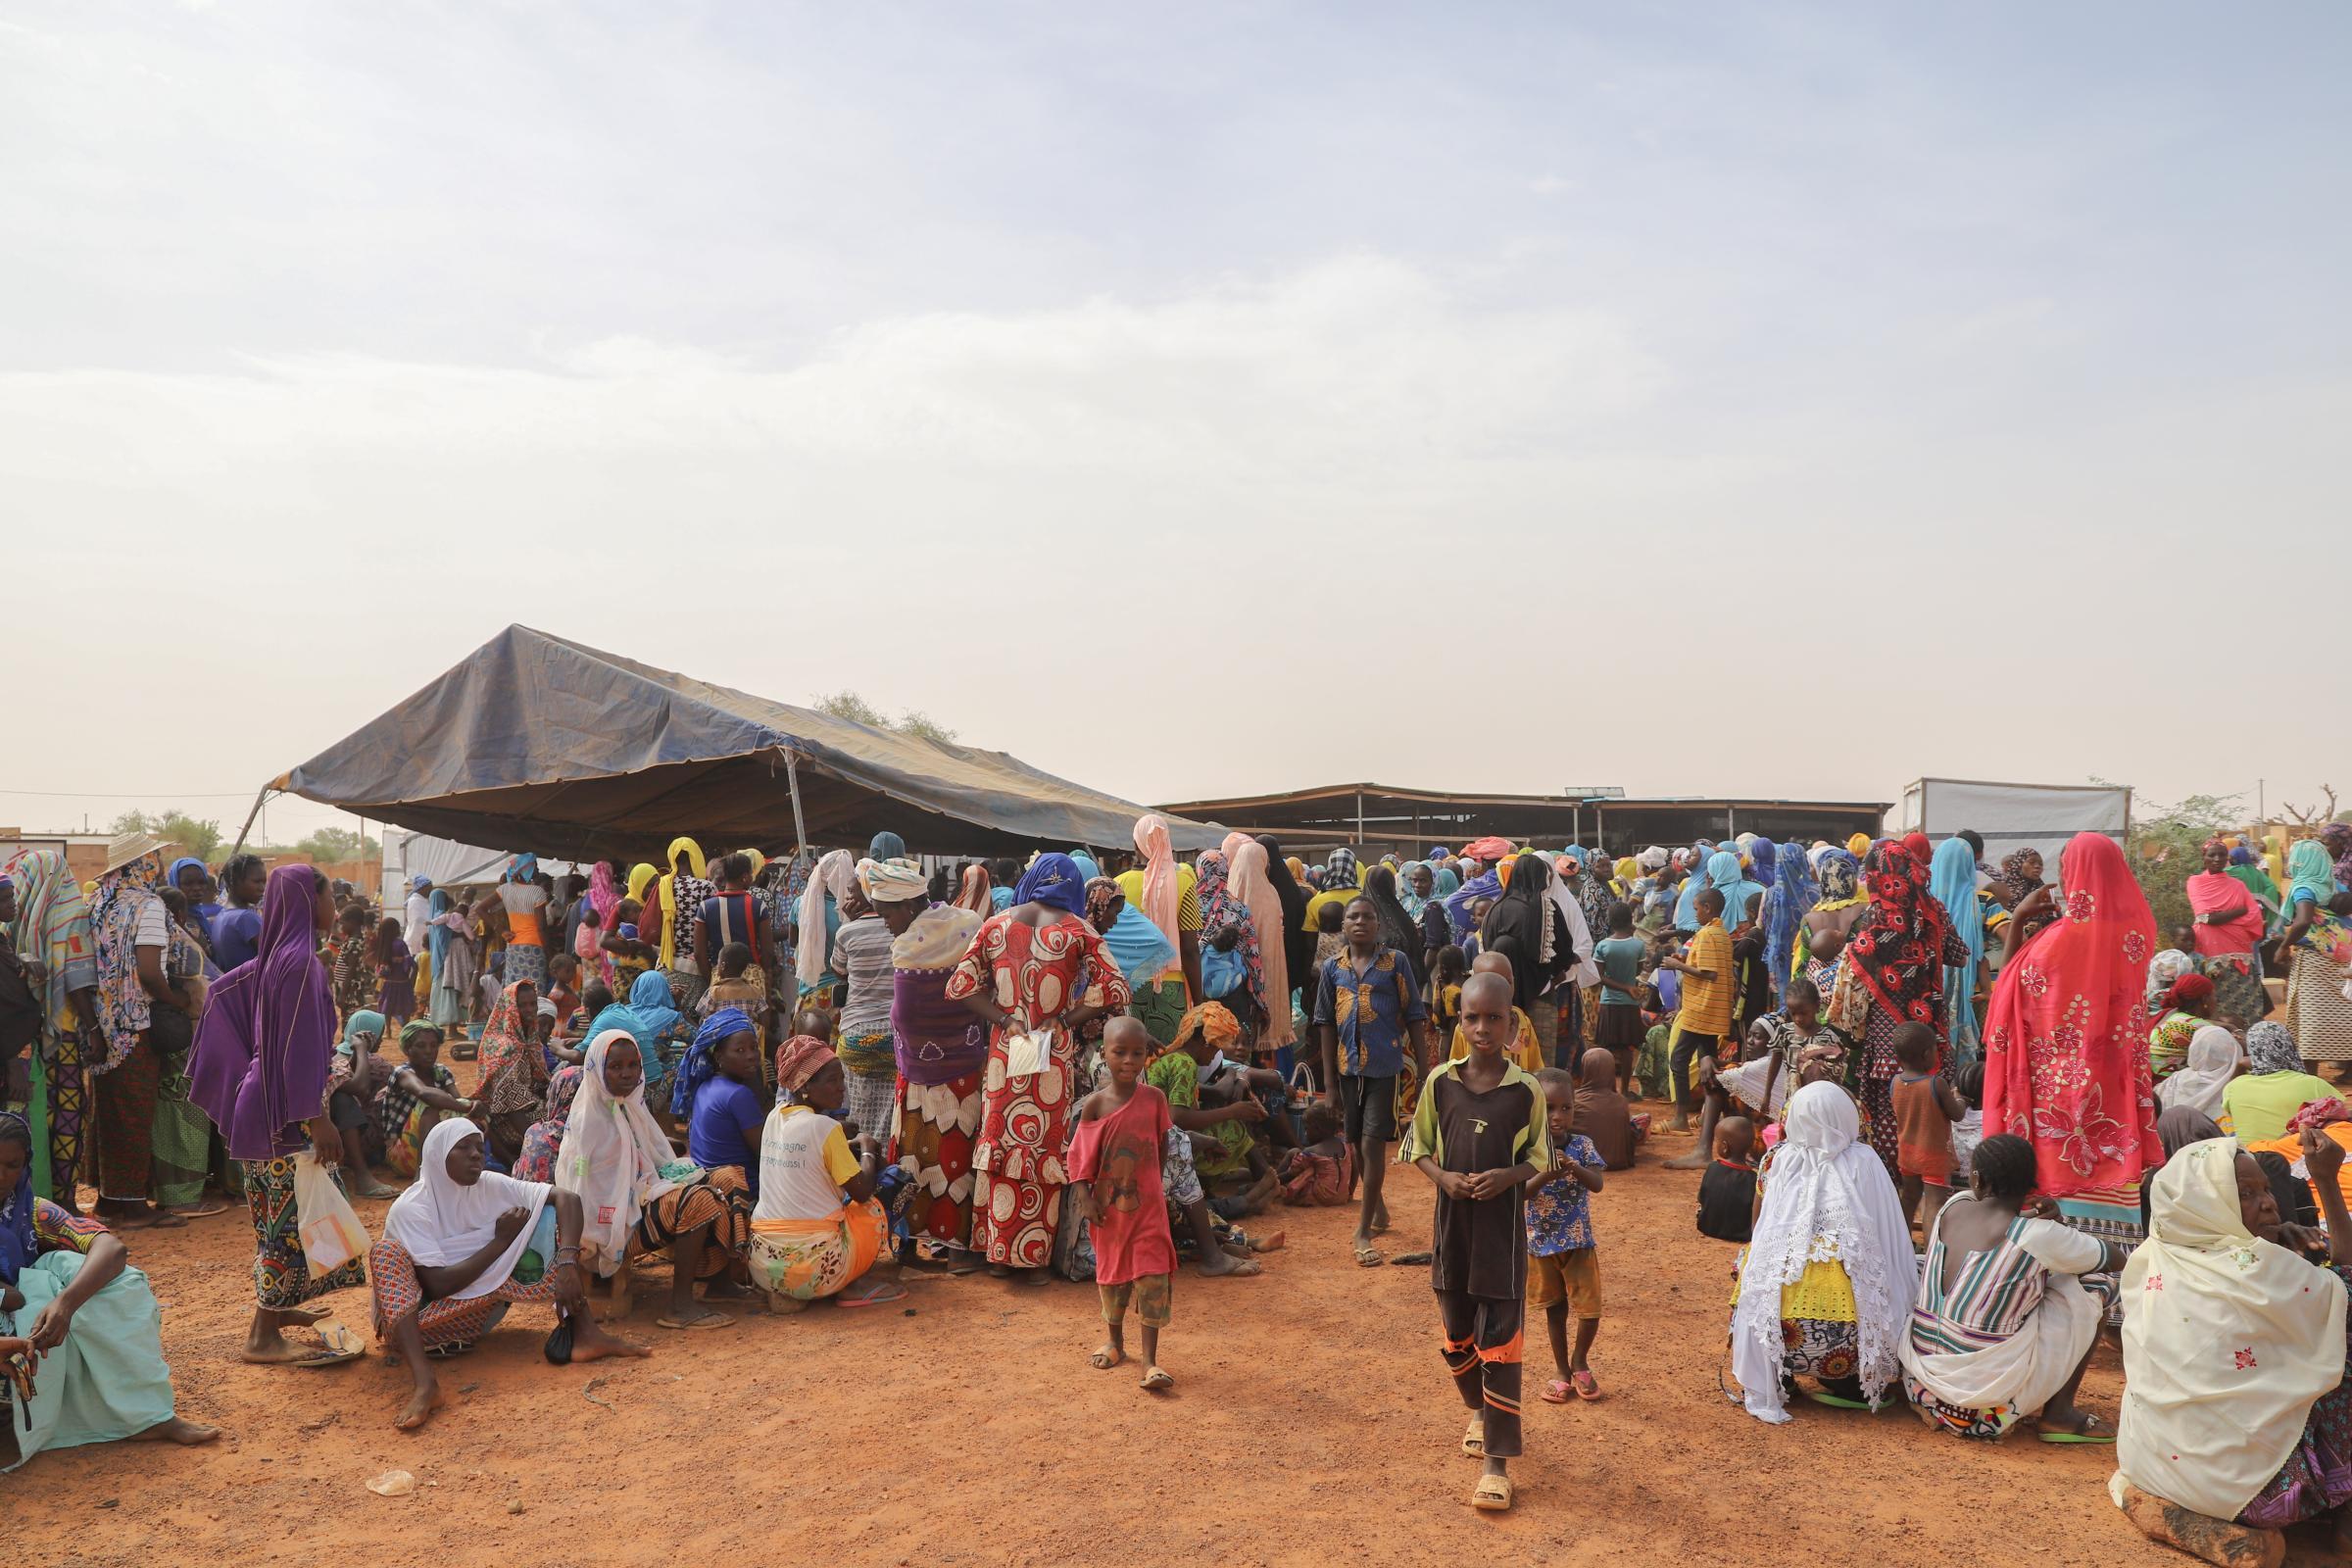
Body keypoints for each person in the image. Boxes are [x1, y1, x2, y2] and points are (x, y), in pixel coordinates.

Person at [2113, 1135, 2352, 1563]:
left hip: (2159, 1470)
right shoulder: (2260, 1271)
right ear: (2207, 1202)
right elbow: (2347, 1284)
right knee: (2340, 1347)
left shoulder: (2151, 1259)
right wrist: (2326, 1182)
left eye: (2266, 1190)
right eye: (2244, 1194)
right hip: (2257, 1496)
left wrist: (2273, 1247)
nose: (2269, 1204)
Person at [186, 863, 369, 1365]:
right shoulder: (301, 964)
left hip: (262, 1107)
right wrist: (316, 1117)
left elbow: (219, 994)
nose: (334, 908)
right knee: (285, 1228)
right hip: (283, 1117)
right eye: (329, 898)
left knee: (279, 1218)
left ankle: (280, 1309)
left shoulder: (274, 959)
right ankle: (262, 1338)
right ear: (311, 902)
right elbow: (297, 1052)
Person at [371, 1118, 643, 1430]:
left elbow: (568, 1199)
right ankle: (426, 1384)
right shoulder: (411, 1208)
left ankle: (585, 1334)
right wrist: (501, 1242)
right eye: (463, 1147)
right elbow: (437, 1285)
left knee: (548, 1215)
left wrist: (568, 1264)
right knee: (385, 1253)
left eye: (479, 1146)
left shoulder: (490, 1185)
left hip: (473, 1319)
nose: (476, 1154)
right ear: (437, 1155)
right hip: (418, 1327)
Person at [947, 854, 1129, 1281]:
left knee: (1000, 1141)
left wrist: (1003, 1019)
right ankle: (1032, 1261)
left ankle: (998, 1254)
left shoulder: (996, 925)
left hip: (1007, 1049)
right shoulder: (1078, 930)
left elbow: (960, 986)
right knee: (1042, 1146)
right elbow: (1115, 988)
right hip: (1051, 1051)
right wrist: (1064, 1019)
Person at [1404, 971, 1548, 1512]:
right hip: (1453, 1234)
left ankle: (1496, 1464)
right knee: (1457, 1336)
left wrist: (1507, 1177)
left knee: (1502, 1344)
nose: (1483, 1027)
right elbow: (1418, 1146)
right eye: (1472, 1018)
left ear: (1513, 1024)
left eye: (1494, 1018)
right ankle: (1480, 1409)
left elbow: (1539, 1157)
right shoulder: (1440, 1083)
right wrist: (1443, 1178)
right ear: (1459, 1022)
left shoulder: (1525, 1090)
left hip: (1501, 1239)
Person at [0, 1112, 218, 1468]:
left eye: (12, 1165)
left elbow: (110, 1248)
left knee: (109, 1282)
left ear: (25, 1165)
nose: (1, 1176)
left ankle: (145, 1416)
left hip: (29, 1317)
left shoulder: (33, 1211)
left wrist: (65, 1305)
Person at [1983, 832, 2163, 1256]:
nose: (2063, 878)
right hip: (2114, 1089)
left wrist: (2018, 921)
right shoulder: (2137, 933)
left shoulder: (2056, 943)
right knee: (2115, 1212)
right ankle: (2115, 1268)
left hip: (2058, 1096)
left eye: (2066, 869)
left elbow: (2005, 995)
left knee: (2053, 1242)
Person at [1899, 1131, 2130, 1444]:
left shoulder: (1953, 1206)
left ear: (1977, 1179)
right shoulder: (2038, 1235)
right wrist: (2058, 1225)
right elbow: (2115, 1260)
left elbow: (1996, 1219)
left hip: (1921, 1385)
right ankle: (2059, 1414)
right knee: (2097, 1284)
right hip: (1984, 1405)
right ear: (2032, 1183)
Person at [1729, 1080, 1915, 1424]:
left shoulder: (1777, 1158)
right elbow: (1889, 1236)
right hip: (1840, 1346)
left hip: (1783, 1338)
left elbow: (1760, 1229)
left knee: (1753, 1269)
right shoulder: (1865, 1160)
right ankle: (1848, 1382)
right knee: (1880, 1276)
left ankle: (1780, 1375)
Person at [553, 1029, 752, 1329]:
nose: (627, 1073)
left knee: (728, 1178)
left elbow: (652, 1157)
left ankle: (719, 1282)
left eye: (633, 1065)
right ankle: (680, 1305)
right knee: (697, 1200)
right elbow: (592, 1192)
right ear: (597, 1069)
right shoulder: (590, 1121)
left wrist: (672, 1178)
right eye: (615, 1067)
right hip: (613, 1225)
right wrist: (657, 1190)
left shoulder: (629, 1106)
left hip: (640, 1200)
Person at [1833, 843, 1970, 1181]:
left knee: (1889, 1103)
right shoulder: (1933, 909)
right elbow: (1959, 956)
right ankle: (1929, 1170)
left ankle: (1892, 1176)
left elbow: (1859, 962)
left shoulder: (1876, 917)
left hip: (1887, 1027)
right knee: (1930, 1096)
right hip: (1929, 1020)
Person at [1313, 896, 1433, 1268]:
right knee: (1355, 1141)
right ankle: (1378, 1209)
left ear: (1378, 925)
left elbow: (1414, 1014)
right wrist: (1329, 1084)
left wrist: (1425, 1069)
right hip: (1347, 1069)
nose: (1360, 922)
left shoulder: (1395, 963)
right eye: (1353, 916)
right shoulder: (1333, 968)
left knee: (1372, 1143)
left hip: (1384, 1067)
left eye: (1367, 916)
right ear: (1343, 925)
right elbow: (1325, 1023)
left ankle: (1363, 1229)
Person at [747, 1035, 900, 1308]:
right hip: (816, 1267)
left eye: (842, 1079)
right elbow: (862, 1191)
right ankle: (850, 1285)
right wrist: (866, 1148)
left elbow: (805, 1147)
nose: (842, 1088)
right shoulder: (824, 1128)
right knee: (871, 1205)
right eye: (832, 1080)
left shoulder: (774, 1116)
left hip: (763, 1263)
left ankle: (786, 1290)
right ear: (805, 1085)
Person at [1068, 1017, 1178, 1392]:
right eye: (1120, 1052)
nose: (1129, 1060)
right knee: (1113, 1280)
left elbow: (1162, 1143)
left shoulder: (1155, 1099)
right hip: (1110, 1213)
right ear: (1104, 1054)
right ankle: (1115, 1341)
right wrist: (1085, 1199)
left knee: (1153, 1279)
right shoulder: (1095, 1106)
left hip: (1149, 1211)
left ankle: (1150, 1362)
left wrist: (1155, 1185)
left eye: (1137, 1053)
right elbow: (1079, 1159)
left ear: (1146, 1055)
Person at [86, 835, 189, 1229]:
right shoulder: (148, 905)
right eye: (153, 858)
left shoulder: (99, 903)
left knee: (109, 1112)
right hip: (134, 1024)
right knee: (134, 1111)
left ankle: (109, 1199)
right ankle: (131, 1206)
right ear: (141, 865)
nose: (158, 865)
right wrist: (177, 999)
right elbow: (149, 971)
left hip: (101, 1023)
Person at [881, 890, 987, 1254]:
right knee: (956, 1159)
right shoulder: (968, 925)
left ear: (908, 905)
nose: (886, 924)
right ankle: (956, 1247)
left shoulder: (909, 947)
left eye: (887, 915)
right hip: (964, 1070)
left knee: (916, 1158)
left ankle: (911, 1246)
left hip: (920, 1074)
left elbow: (906, 1014)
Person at [3, 850, 104, 1208]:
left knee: (35, 1117)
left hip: (27, 1040)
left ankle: (34, 1198)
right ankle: (64, 1201)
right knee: (69, 1114)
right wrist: (93, 1027)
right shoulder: (68, 912)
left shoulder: (15, 919)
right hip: (63, 1031)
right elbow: (75, 978)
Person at [1526, 1066, 1605, 1405]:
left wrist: (1573, 1166)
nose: (1558, 1116)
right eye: (1548, 1108)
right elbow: (1522, 1192)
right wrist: (1547, 1174)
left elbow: (1597, 1183)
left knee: (1590, 1308)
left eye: (1566, 1108)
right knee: (1554, 1310)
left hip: (1579, 1243)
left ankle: (1580, 1361)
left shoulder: (1582, 1146)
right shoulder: (1529, 1149)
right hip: (1542, 1245)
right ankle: (1561, 1369)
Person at [833, 858, 913, 1141]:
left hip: (856, 1033)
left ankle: (860, 1152)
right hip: (895, 1033)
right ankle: (884, 1156)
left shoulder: (846, 932)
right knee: (891, 1107)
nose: (847, 897)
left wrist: (850, 923)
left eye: (851, 892)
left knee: (858, 1107)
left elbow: (839, 970)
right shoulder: (902, 928)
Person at [1656, 887, 1733, 1167]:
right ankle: (1707, 1115)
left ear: (1708, 908)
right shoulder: (1720, 933)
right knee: (1707, 1062)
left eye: (1697, 908)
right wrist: (1685, 962)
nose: (1695, 912)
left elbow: (1709, 973)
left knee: (1678, 1058)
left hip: (1701, 1009)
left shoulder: (1709, 934)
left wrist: (1678, 966)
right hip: (1712, 1009)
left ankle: (1680, 1117)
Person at [2279, 840, 2352, 1064]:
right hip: (2341, 960)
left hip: (2313, 962)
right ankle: (2348, 1068)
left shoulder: (2304, 888)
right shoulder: (2335, 886)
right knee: (2344, 1012)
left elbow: (2303, 921)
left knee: (2310, 1017)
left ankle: (2310, 1072)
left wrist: (2283, 946)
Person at [2186, 836, 2271, 1021]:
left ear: (2228, 858)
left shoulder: (2237, 885)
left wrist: (2222, 917)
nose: (2217, 859)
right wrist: (2239, 911)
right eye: (2212, 855)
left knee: (2246, 1005)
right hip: (2209, 951)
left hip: (2240, 953)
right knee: (2213, 1005)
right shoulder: (2195, 882)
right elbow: (2207, 918)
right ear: (2204, 858)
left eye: (2222, 855)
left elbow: (2255, 917)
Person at [1890, 1023, 1964, 1232]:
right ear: (1926, 1054)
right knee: (1934, 1203)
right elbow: (1957, 1115)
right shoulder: (1936, 1084)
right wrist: (1960, 1099)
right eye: (1934, 1050)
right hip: (1934, 1157)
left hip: (1907, 1154)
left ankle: (1902, 1244)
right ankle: (1931, 1249)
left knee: (1909, 1198)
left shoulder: (1895, 1082)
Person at [2223, 1020, 2337, 1143]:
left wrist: (2240, 1066)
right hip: (2297, 1152)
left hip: (2250, 1153)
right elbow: (2342, 1118)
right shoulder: (2315, 1084)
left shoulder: (2233, 1087)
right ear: (2289, 1046)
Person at [472, 978, 545, 1163]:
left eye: (533, 1004)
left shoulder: (529, 1039)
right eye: (522, 1005)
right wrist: (537, 1143)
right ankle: (533, 1152)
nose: (529, 1010)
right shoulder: (506, 1046)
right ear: (510, 1008)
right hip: (502, 1121)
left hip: (528, 1105)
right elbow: (510, 1103)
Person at [1591, 904, 1646, 1093]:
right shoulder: (1638, 945)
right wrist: (1628, 987)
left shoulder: (1603, 946)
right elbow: (1637, 971)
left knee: (1606, 1047)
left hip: (1608, 1002)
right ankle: (1624, 1091)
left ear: (1609, 921)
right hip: (1630, 1004)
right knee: (1628, 1048)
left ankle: (1609, 1090)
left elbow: (1599, 977)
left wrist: (1621, 986)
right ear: (1630, 920)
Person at [1574, 1046, 1642, 1170]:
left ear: (1585, 1069)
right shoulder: (1621, 1101)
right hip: (1616, 1162)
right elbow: (1628, 1136)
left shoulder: (1573, 1100)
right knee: (1641, 1122)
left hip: (1583, 1162)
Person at [1275, 1101, 1355, 1206]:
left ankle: (1273, 1183)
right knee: (1295, 1153)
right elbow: (1356, 1167)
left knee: (1301, 1164)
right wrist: (1350, 1192)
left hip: (1318, 1198)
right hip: (1342, 1196)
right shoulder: (1346, 1145)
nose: (1305, 1133)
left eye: (1306, 1129)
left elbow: (1290, 1174)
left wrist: (1275, 1180)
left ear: (1317, 1128)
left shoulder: (1311, 1152)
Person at [1694, 1114, 1757, 1243]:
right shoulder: (1754, 1178)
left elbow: (1702, 1198)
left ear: (1724, 1146)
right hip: (1741, 1234)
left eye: (1716, 1141)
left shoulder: (1713, 1168)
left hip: (1707, 1227)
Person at [371, 916, 416, 1025]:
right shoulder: (400, 944)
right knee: (405, 1006)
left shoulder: (383, 945)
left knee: (387, 1006)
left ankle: (388, 1029)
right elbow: (409, 962)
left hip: (388, 982)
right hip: (402, 981)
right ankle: (405, 1026)